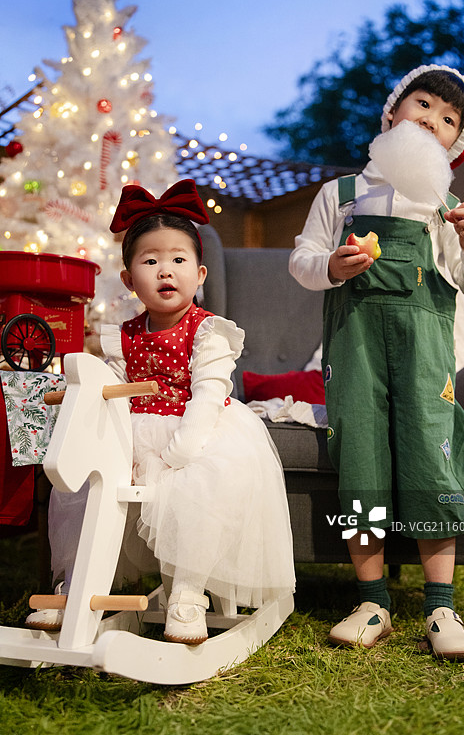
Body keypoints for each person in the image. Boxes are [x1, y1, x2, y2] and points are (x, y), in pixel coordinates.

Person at [289, 64, 464, 660]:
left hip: (424, 356)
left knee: (429, 454)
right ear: (392, 114)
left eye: (448, 120)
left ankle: (442, 606)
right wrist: (332, 266)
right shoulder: (341, 195)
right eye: (424, 105)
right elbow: (302, 260)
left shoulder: (446, 208)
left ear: (454, 144)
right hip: (355, 350)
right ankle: (372, 600)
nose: (431, 120)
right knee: (360, 455)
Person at [27, 180, 295, 644]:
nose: (165, 271)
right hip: (130, 431)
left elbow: (210, 392)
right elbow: (110, 394)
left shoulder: (209, 331)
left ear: (200, 273)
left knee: (197, 488)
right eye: (150, 261)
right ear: (130, 279)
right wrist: (113, 443)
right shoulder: (122, 335)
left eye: (178, 260)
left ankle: (187, 592)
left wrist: (181, 449)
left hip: (198, 430)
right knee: (80, 487)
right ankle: (74, 584)